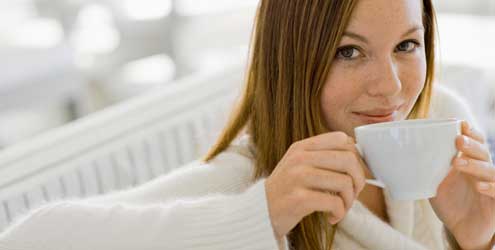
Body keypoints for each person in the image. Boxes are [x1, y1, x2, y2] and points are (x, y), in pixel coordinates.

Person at [1, 0, 494, 249]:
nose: (390, 89)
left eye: (407, 46)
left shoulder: (443, 121)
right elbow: (28, 240)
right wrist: (258, 216)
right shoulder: (252, 178)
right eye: (349, 51)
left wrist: (477, 239)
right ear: (292, 61)